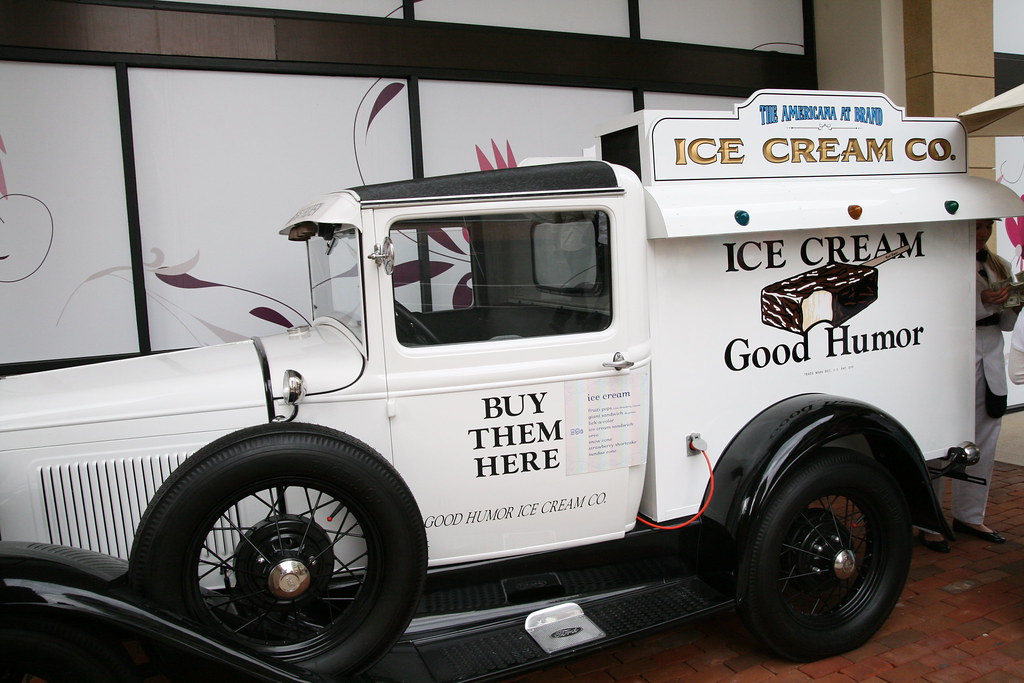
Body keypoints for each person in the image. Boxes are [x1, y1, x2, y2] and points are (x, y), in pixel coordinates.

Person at [922, 218, 1015, 552]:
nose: (983, 233)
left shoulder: (999, 264)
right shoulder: (940, 264)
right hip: (952, 357)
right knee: (941, 442)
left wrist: (1012, 303)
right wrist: (983, 301)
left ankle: (970, 515)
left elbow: (1006, 324)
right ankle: (929, 521)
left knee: (985, 438)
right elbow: (936, 313)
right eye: (977, 226)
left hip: (990, 356)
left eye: (987, 226)